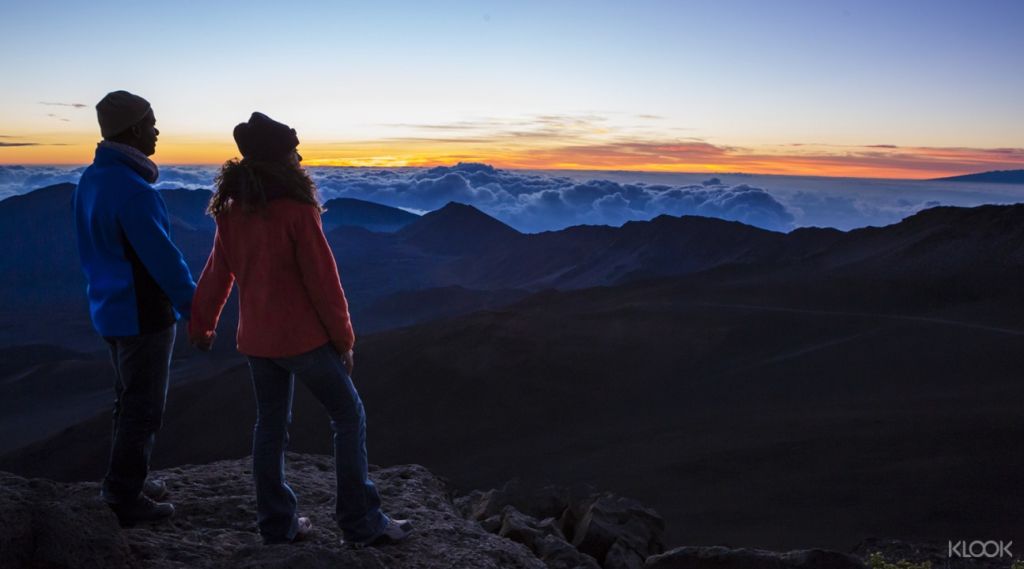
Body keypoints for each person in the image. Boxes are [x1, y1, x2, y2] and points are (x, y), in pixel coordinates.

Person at [188, 112, 413, 547]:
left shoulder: (232, 209)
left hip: (257, 341)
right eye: (294, 148)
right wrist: (344, 340)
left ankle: (277, 523)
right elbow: (323, 282)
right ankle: (360, 522)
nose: (300, 155)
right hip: (304, 341)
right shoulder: (297, 210)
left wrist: (203, 325)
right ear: (280, 158)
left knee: (270, 425)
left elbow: (218, 273)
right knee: (348, 415)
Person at [72, 90, 196, 524]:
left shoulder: (91, 180)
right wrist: (194, 308)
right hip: (143, 314)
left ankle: (129, 479)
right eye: (152, 123)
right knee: (144, 406)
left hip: (108, 309)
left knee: (127, 401)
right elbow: (164, 260)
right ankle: (124, 496)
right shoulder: (135, 192)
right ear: (134, 129)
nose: (157, 130)